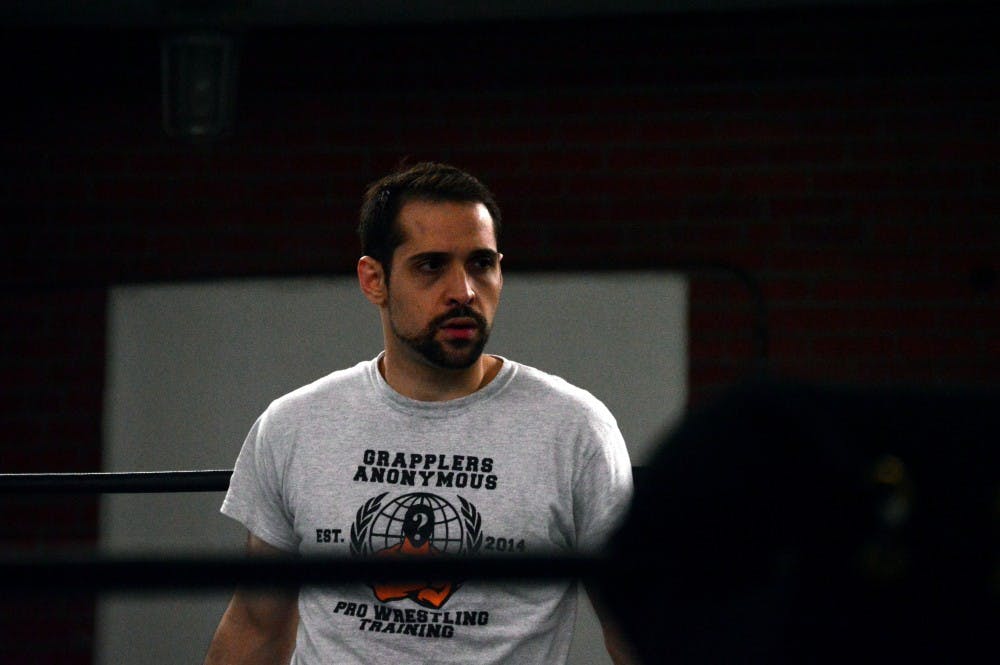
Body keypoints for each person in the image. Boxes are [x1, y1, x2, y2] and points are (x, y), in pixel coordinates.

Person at [203, 161, 635, 664]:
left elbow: (637, 628)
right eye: (432, 266)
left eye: (481, 264)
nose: (464, 292)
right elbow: (257, 628)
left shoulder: (574, 429)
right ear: (374, 280)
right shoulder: (294, 426)